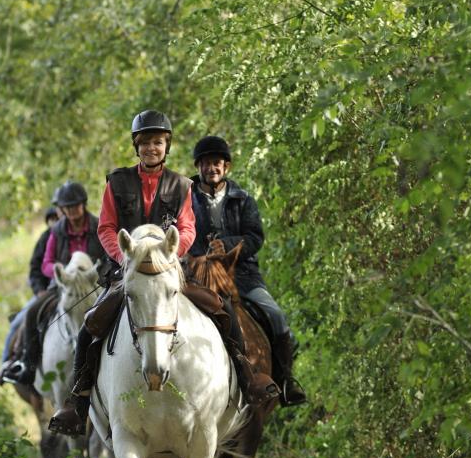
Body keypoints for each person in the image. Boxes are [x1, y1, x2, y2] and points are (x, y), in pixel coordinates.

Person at [49, 110, 278, 436]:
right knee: (90, 325)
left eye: (157, 143)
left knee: (223, 309)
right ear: (137, 147)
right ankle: (78, 402)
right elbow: (107, 227)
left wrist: (172, 254)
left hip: (170, 270)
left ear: (166, 146)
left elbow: (187, 228)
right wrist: (123, 256)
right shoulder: (117, 182)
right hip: (128, 271)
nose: (151, 148)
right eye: (145, 143)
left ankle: (246, 378)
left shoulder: (182, 184)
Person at [189, 135, 306, 407]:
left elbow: (255, 237)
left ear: (226, 167)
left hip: (241, 275)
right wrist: (201, 254)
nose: (212, 168)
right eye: (206, 163)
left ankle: (286, 380)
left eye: (217, 163)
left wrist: (228, 245)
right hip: (199, 275)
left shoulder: (243, 199)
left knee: (276, 317)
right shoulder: (185, 200)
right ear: (198, 167)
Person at [1, 180, 105, 385]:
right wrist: (62, 273)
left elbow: (107, 257)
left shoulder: (99, 227)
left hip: (93, 285)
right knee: (31, 313)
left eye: (75, 206)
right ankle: (27, 367)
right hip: (63, 286)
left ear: (83, 205)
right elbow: (46, 263)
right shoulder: (56, 231)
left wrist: (94, 273)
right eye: (67, 207)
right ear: (62, 209)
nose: (72, 211)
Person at [0, 198, 60, 384]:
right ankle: (6, 364)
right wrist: (39, 291)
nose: (55, 223)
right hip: (48, 293)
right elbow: (35, 270)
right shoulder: (46, 239)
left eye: (57, 218)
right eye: (51, 219)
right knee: (19, 322)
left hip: (77, 291)